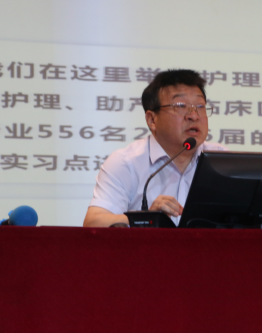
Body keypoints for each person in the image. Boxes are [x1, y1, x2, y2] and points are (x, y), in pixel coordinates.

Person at [83, 69, 228, 228]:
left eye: (200, 106)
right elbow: (93, 223)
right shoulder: (126, 163)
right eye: (180, 106)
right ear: (152, 119)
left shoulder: (223, 161)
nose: (194, 115)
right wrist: (147, 219)